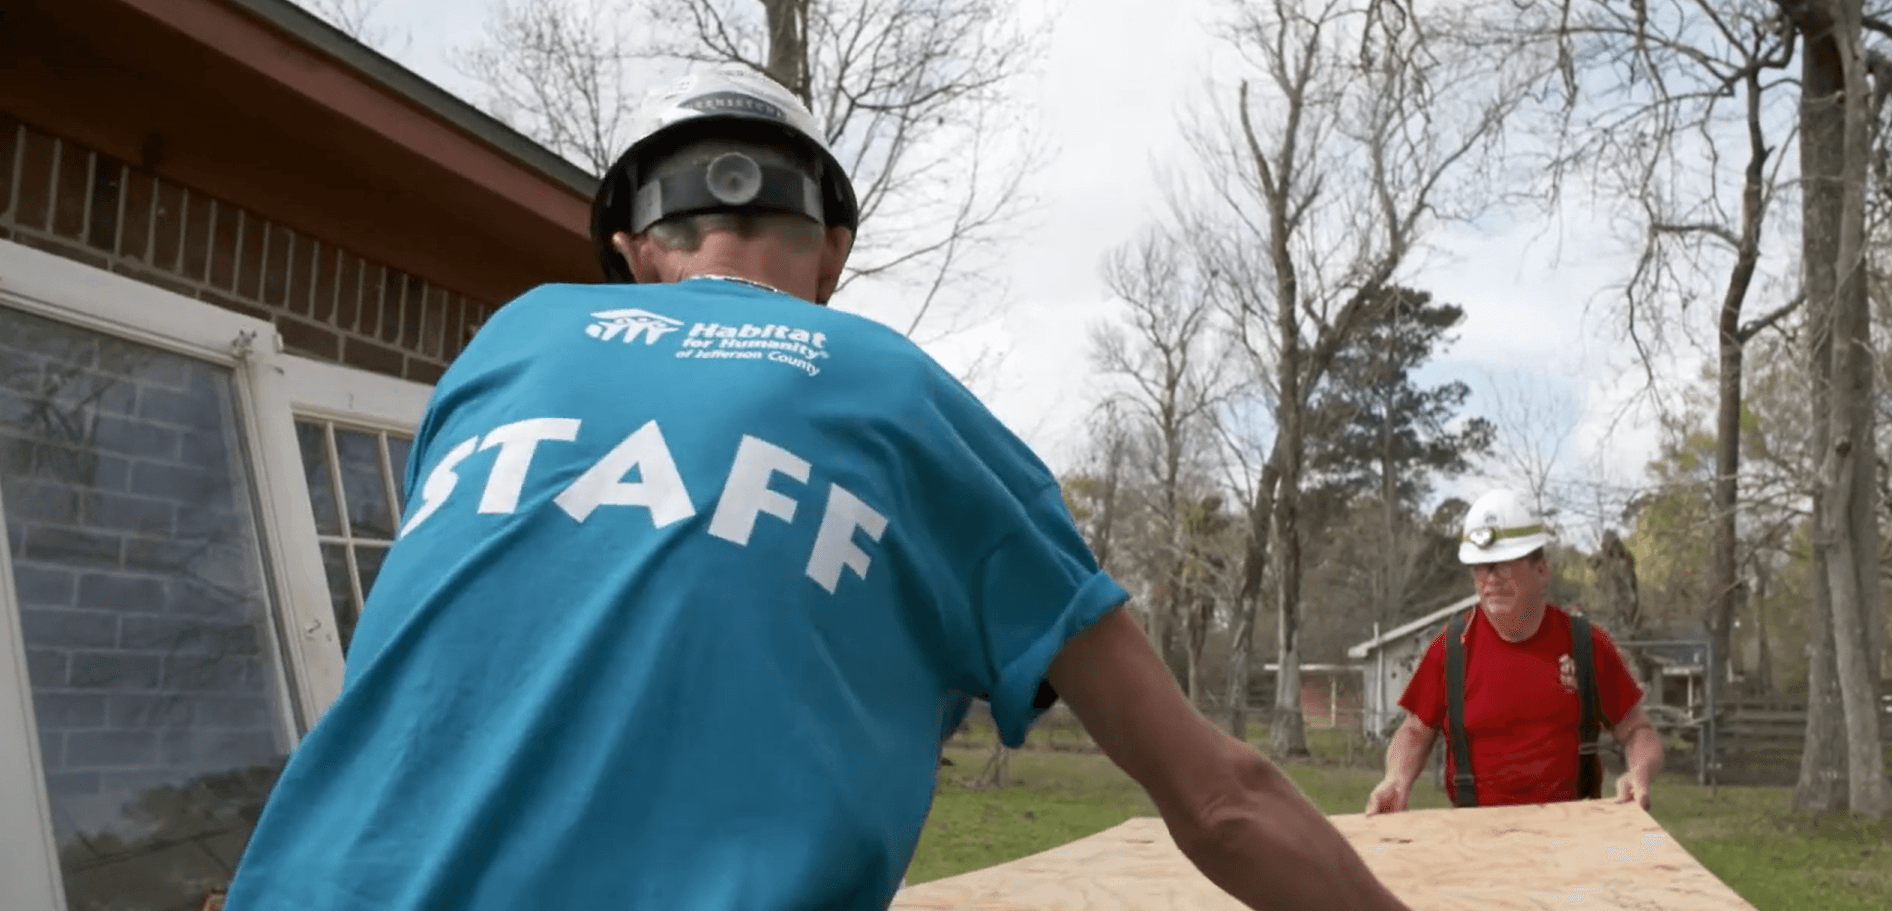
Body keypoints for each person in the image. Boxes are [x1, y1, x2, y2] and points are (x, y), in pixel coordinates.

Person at [222, 66, 1411, 911]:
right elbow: (1221, 800)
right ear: (831, 248)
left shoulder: (511, 344)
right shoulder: (901, 396)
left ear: (629, 247)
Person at [1365, 488, 1664, 816]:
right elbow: (1414, 731)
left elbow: (1638, 730)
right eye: (1480, 566)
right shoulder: (1451, 649)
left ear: (1541, 571)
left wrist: (1639, 772)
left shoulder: (1586, 644)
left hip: (1572, 835)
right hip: (1474, 835)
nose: (1491, 578)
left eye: (1504, 564)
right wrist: (1395, 779)